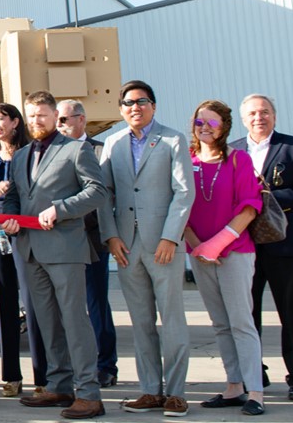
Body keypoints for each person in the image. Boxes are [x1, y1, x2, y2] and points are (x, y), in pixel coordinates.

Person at [1, 91, 108, 420]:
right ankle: (59, 385)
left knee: (74, 322)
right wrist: (11, 217)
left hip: (64, 248)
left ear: (56, 117)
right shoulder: (20, 157)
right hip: (30, 249)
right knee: (47, 322)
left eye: (42, 115)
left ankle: (89, 393)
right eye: (31, 115)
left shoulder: (76, 150)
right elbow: (16, 195)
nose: (36, 120)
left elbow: (97, 191)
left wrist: (60, 209)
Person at [97, 80, 195, 417]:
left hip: (162, 244)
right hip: (126, 246)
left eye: (141, 101)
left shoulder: (172, 140)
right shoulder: (112, 143)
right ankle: (151, 390)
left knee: (172, 321)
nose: (134, 108)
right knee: (141, 322)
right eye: (127, 103)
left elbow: (184, 192)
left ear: (153, 105)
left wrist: (171, 237)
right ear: (121, 109)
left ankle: (177, 393)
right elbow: (103, 194)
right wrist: (110, 237)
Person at [230, 94, 293, 401]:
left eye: (265, 112)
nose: (259, 117)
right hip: (246, 245)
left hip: (286, 243)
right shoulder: (232, 151)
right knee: (247, 315)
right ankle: (255, 374)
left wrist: (268, 198)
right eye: (253, 113)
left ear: (274, 116)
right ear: (244, 119)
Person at [185, 100, 266, 416]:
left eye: (212, 122)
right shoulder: (187, 162)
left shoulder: (239, 160)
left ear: (224, 127)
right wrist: (198, 245)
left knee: (241, 322)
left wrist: (217, 243)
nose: (204, 127)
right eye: (199, 121)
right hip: (200, 254)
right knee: (220, 323)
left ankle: (255, 392)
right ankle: (234, 386)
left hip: (234, 252)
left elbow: (249, 207)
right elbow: (182, 210)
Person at [0, 103, 47, 399]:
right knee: (5, 302)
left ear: (15, 122)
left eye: (1, 119)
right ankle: (11, 376)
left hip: (24, 230)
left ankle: (42, 375)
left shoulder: (29, 154)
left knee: (33, 304)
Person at [57, 98, 118, 388]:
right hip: (61, 240)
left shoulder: (101, 151)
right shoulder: (54, 152)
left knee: (96, 304)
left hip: (92, 239)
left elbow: (107, 196)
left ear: (81, 119)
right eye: (58, 120)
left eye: (64, 120)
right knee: (67, 306)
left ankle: (106, 365)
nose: (60, 125)